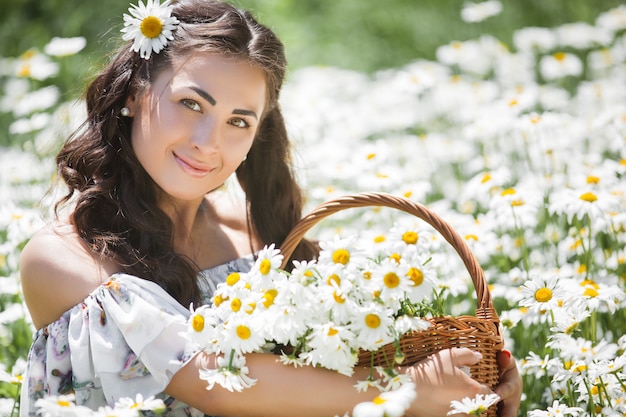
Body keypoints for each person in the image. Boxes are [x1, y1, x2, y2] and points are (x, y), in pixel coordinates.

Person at [18, 0, 522, 416]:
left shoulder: (260, 240)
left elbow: (357, 351)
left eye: (238, 121)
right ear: (132, 93)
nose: (206, 143)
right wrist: (405, 390)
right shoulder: (64, 258)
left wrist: (470, 376)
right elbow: (210, 377)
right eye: (191, 103)